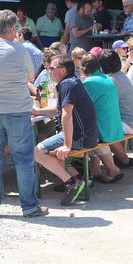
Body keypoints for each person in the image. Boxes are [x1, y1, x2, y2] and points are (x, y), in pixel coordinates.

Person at [0, 9, 47, 218]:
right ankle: (29, 206)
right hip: (17, 110)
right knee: (23, 159)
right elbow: (30, 77)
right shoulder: (20, 50)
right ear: (13, 29)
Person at [31, 54, 99, 206]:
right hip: (87, 135)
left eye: (51, 68)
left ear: (62, 70)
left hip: (80, 137)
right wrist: (36, 111)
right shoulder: (71, 81)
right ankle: (79, 179)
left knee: (36, 152)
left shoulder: (67, 85)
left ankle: (71, 183)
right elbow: (59, 110)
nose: (49, 71)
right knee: (48, 150)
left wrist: (67, 145)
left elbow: (67, 115)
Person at [80, 54, 125, 182]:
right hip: (114, 125)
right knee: (90, 133)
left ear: (83, 69)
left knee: (87, 135)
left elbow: (81, 105)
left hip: (104, 127)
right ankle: (96, 170)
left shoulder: (90, 82)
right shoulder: (105, 78)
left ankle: (112, 169)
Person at [99, 49, 133, 134]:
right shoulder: (122, 75)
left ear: (102, 66)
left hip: (131, 124)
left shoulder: (110, 81)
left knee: (99, 126)